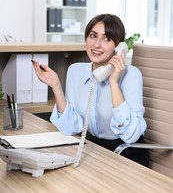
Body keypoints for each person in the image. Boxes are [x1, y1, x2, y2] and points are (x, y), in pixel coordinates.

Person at [32, 13, 149, 167]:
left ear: (118, 47)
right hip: (94, 151)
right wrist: (56, 87)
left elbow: (131, 135)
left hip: (127, 156)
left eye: (106, 39)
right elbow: (71, 127)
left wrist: (114, 82)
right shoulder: (75, 71)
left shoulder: (132, 75)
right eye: (93, 36)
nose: (97, 44)